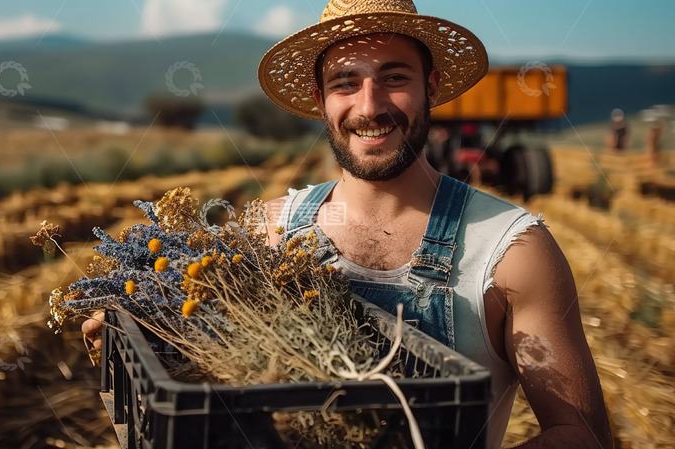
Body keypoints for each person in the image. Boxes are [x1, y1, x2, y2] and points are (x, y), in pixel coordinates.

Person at [86, 1, 611, 447]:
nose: (369, 106)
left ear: (430, 88)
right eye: (345, 83)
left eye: (394, 78)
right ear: (320, 100)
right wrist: (138, 334)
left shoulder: (512, 250)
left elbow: (581, 435)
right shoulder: (268, 231)